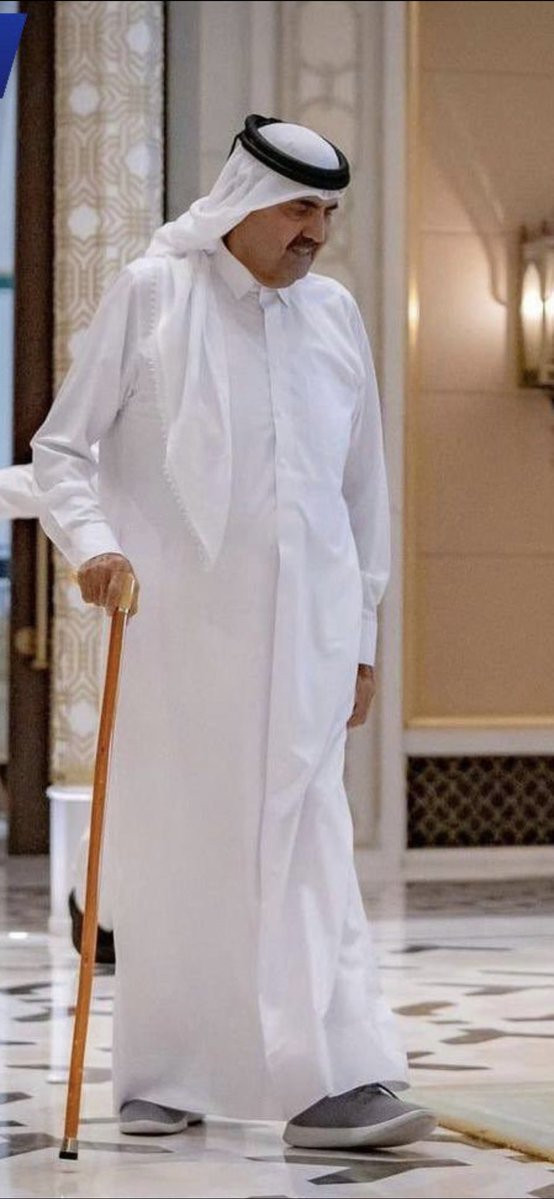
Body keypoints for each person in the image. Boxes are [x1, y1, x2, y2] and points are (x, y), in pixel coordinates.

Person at [32, 115, 436, 1149]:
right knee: (183, 852)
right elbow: (62, 450)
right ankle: (166, 1073)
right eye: (299, 209)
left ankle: (332, 1076)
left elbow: (362, 491)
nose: (317, 233)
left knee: (305, 847)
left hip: (309, 643)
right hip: (180, 639)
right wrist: (94, 546)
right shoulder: (153, 294)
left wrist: (361, 638)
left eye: (328, 212)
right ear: (243, 202)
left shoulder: (335, 316)